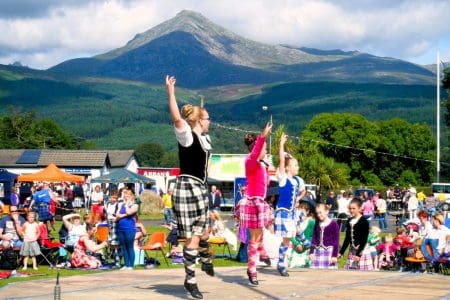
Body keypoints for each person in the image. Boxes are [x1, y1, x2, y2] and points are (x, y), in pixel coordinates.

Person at [166, 75, 214, 299]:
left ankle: (205, 258)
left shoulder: (206, 140)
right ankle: (191, 281)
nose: (210, 122)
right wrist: (171, 92)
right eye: (207, 118)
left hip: (200, 187)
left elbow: (207, 167)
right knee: (192, 238)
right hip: (186, 187)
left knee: (203, 232)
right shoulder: (186, 136)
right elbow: (176, 118)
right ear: (198, 120)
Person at [236, 122, 272, 286]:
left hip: (260, 201)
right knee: (255, 237)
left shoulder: (262, 165)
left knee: (259, 233)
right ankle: (252, 269)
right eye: (264, 148)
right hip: (252, 202)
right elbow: (257, 151)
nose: (265, 151)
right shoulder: (250, 161)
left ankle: (261, 254)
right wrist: (262, 137)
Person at [274, 133, 305, 277]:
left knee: (290, 235)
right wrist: (281, 145)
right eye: (294, 165)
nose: (297, 166)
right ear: (286, 168)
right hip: (283, 211)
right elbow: (281, 160)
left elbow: (303, 191)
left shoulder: (298, 180)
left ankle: (282, 263)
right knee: (287, 238)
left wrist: (298, 198)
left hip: (292, 211)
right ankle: (281, 264)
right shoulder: (283, 178)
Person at [339, 198, 372, 270]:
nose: (351, 210)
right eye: (350, 208)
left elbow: (364, 239)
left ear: (360, 208)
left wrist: (358, 255)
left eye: (354, 208)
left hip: (362, 251)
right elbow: (347, 238)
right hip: (352, 250)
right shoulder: (349, 220)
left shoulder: (364, 221)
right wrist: (341, 252)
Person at [310, 204, 340, 269]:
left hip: (329, 252)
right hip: (318, 252)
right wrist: (311, 252)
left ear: (327, 211)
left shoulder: (333, 224)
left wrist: (334, 255)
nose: (318, 215)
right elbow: (314, 238)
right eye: (317, 213)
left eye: (320, 212)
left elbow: (336, 241)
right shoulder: (317, 224)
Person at [115, 189, 138, 270]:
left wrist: (127, 205)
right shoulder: (121, 204)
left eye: (128, 195)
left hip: (129, 228)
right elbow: (117, 215)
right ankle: (126, 264)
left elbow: (129, 212)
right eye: (125, 195)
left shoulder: (135, 205)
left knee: (130, 246)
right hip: (120, 228)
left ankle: (131, 265)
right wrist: (122, 215)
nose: (126, 197)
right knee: (123, 247)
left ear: (132, 196)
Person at [105, 191, 121, 268]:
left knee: (116, 243)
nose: (114, 199)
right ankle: (115, 261)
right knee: (111, 243)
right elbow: (106, 214)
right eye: (112, 197)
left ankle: (118, 262)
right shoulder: (107, 204)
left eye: (115, 198)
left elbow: (117, 215)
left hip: (115, 223)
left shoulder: (118, 205)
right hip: (109, 223)